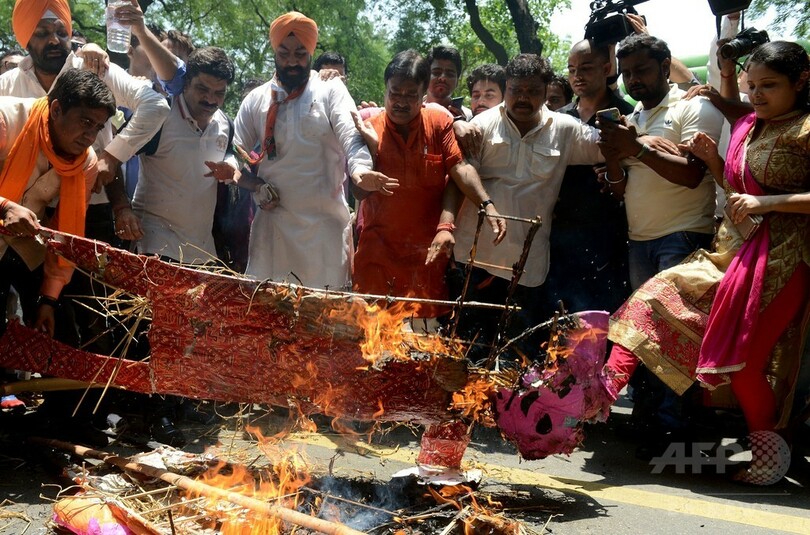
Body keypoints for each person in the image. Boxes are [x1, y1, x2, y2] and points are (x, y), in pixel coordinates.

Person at [596, 40, 810, 485]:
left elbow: (756, 198)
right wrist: (715, 160)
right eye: (753, 86)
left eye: (769, 86)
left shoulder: (806, 128)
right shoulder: (751, 125)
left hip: (784, 259)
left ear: (802, 82)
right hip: (730, 251)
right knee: (654, 295)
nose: (758, 95)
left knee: (745, 363)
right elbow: (734, 191)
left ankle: (768, 457)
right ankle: (599, 393)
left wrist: (768, 202)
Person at [452, 54, 602, 360]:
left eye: (532, 91)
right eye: (515, 90)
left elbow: (608, 146)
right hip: (474, 259)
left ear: (545, 91)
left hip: (527, 268)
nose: (522, 98)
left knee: (516, 357)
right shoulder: (481, 125)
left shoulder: (566, 129)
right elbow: (460, 172)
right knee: (467, 354)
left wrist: (644, 142)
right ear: (506, 88)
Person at [350, 50, 506, 322]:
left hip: (426, 259)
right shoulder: (369, 128)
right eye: (394, 93)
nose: (400, 102)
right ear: (385, 90)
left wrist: (486, 204)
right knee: (369, 342)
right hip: (377, 259)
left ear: (423, 97)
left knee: (421, 351)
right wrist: (370, 167)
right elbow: (358, 191)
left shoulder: (439, 122)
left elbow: (459, 169)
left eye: (410, 95)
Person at [230, 11, 373, 290]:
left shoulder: (330, 89)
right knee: (269, 319)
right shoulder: (256, 99)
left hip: (324, 234)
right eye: (284, 53)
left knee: (322, 321)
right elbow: (233, 151)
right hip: (273, 229)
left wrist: (360, 170)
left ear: (311, 51)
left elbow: (351, 134)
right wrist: (253, 183)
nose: (292, 61)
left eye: (300, 53)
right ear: (274, 51)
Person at [0, 69, 115, 337]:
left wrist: (48, 300)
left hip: (25, 249)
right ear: (56, 109)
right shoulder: (7, 119)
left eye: (98, 127)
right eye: (85, 121)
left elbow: (67, 232)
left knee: (61, 336)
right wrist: (4, 206)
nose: (91, 136)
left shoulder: (86, 162)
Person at [540, 39, 633, 317]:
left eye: (586, 68)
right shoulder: (556, 119)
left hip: (607, 235)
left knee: (600, 316)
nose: (577, 76)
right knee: (557, 318)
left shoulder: (627, 116)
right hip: (559, 235)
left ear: (606, 68)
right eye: (571, 69)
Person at [132, 47, 236, 264]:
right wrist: (121, 208)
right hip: (154, 245)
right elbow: (112, 160)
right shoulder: (160, 115)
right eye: (202, 89)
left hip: (202, 253)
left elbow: (230, 153)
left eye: (219, 93)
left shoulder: (225, 123)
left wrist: (231, 166)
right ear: (186, 83)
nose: (210, 99)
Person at [426, 45, 471, 119]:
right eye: (436, 72)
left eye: (450, 74)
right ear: (425, 76)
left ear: (457, 81)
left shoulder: (468, 117)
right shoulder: (412, 112)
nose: (443, 78)